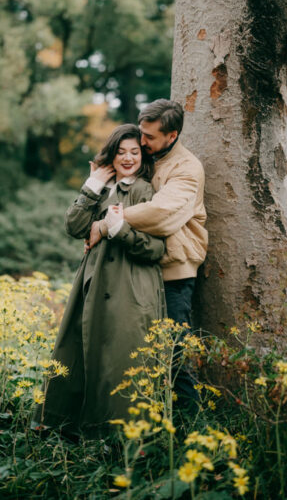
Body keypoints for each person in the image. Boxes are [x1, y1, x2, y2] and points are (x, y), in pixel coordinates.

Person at [42, 124, 166, 436]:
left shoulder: (144, 190)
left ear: (142, 155)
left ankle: (122, 437)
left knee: (122, 358)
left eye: (134, 152)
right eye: (121, 151)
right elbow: (74, 226)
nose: (128, 158)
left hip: (130, 285)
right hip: (93, 283)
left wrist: (117, 229)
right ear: (111, 154)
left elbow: (156, 248)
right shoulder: (103, 185)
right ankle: (69, 427)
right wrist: (93, 184)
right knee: (80, 351)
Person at [89, 99, 208, 405]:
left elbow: (161, 214)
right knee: (137, 354)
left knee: (173, 352)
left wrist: (105, 225)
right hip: (135, 270)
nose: (142, 142)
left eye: (150, 137)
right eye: (141, 133)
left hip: (173, 275)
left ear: (173, 135)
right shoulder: (147, 157)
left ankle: (189, 427)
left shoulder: (187, 169)